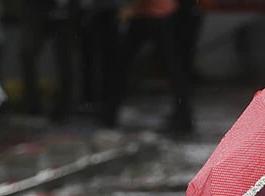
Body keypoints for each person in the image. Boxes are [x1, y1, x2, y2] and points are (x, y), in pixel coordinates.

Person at [108, 0, 195, 135]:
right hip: (151, 13)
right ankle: (183, 117)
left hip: (157, 13)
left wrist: (130, 7)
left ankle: (183, 117)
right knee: (173, 69)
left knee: (173, 69)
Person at [20, 0, 78, 122]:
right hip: (39, 9)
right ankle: (32, 104)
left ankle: (63, 107)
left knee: (65, 60)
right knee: (27, 54)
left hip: (65, 12)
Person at [77, 0, 124, 125]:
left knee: (108, 63)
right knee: (90, 61)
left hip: (108, 11)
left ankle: (106, 108)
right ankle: (94, 103)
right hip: (91, 11)